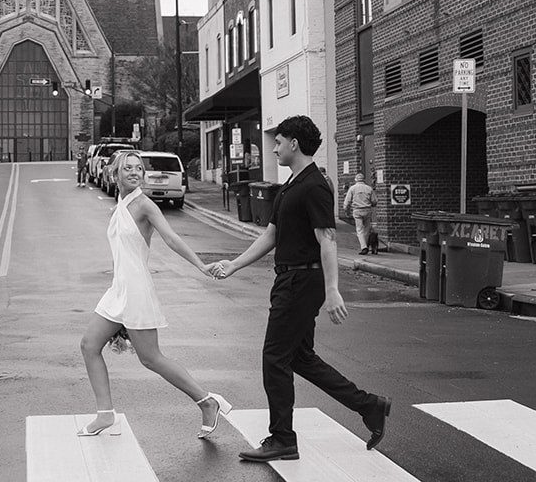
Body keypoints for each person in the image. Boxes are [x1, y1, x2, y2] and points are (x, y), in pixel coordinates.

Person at [211, 115, 391, 462]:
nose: (275, 147)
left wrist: (333, 289)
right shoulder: (292, 184)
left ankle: (283, 438)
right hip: (289, 279)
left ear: (294, 143)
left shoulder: (315, 185)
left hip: (302, 281)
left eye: (278, 142)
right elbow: (271, 235)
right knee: (299, 358)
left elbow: (327, 238)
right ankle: (370, 406)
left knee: (274, 357)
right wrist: (234, 264)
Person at [78, 150, 233, 439]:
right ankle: (104, 414)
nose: (135, 172)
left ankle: (207, 400)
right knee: (89, 346)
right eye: (128, 168)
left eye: (139, 168)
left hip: (136, 289)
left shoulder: (144, 205)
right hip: (119, 289)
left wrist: (201, 265)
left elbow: (171, 237)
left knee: (151, 358)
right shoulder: (120, 205)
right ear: (115, 173)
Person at [342, 173, 377, 255]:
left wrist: (346, 211)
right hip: (367, 210)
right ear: (363, 179)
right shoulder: (369, 188)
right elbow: (374, 201)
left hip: (357, 210)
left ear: (355, 180)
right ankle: (365, 246)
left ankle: (364, 247)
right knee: (367, 229)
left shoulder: (352, 189)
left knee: (359, 230)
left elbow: (347, 202)